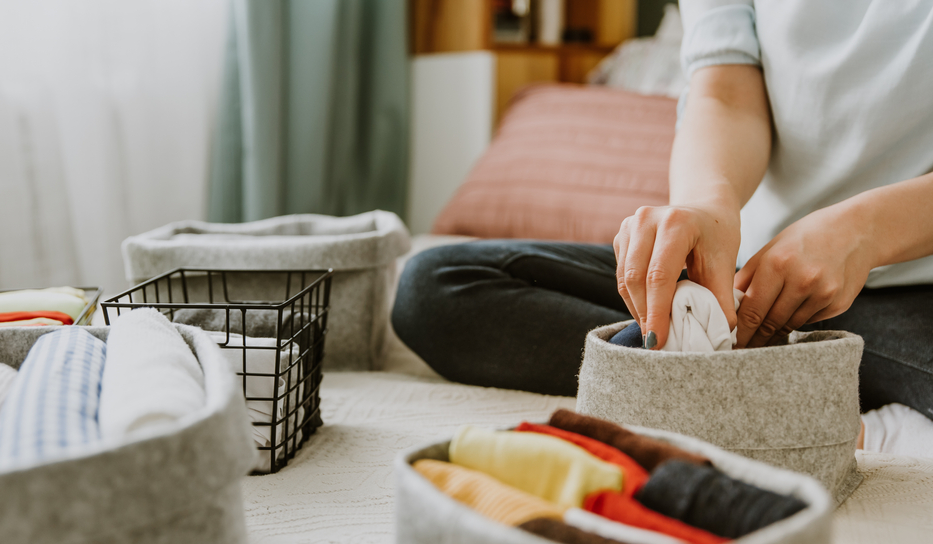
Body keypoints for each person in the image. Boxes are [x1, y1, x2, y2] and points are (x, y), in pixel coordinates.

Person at [392, 0, 933, 421]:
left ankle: (719, 393)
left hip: (913, 287)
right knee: (435, 287)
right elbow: (724, 94)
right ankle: (795, 405)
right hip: (748, 280)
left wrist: (867, 230)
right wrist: (705, 204)